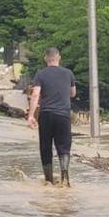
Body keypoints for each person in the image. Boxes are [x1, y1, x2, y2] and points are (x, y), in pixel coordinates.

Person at [27, 47, 76, 187]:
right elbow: (73, 93)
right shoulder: (68, 73)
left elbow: (35, 94)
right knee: (64, 146)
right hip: (63, 115)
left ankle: (48, 180)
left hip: (46, 115)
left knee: (45, 147)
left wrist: (31, 116)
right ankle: (64, 175)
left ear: (45, 59)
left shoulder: (40, 74)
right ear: (59, 57)